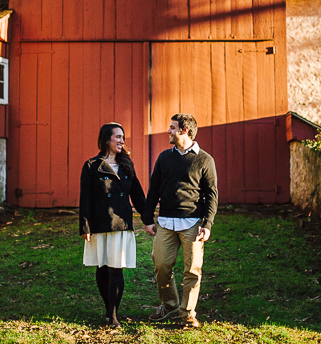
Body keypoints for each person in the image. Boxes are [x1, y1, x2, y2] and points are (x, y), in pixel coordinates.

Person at [143, 113, 218, 328]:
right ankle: (170, 305)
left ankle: (187, 313)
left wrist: (207, 224)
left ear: (184, 131)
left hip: (192, 223)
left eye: (172, 127)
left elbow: (212, 195)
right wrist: (148, 219)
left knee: (192, 270)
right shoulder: (164, 157)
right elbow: (154, 189)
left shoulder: (205, 160)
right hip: (166, 222)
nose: (168, 131)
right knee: (162, 265)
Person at [79, 122, 147, 327]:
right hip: (100, 224)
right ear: (106, 139)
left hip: (121, 223)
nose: (122, 141)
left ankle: (114, 314)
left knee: (116, 269)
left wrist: (148, 219)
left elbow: (137, 195)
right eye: (117, 137)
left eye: (123, 137)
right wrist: (85, 226)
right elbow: (86, 198)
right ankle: (108, 309)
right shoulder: (92, 165)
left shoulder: (127, 164)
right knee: (102, 268)